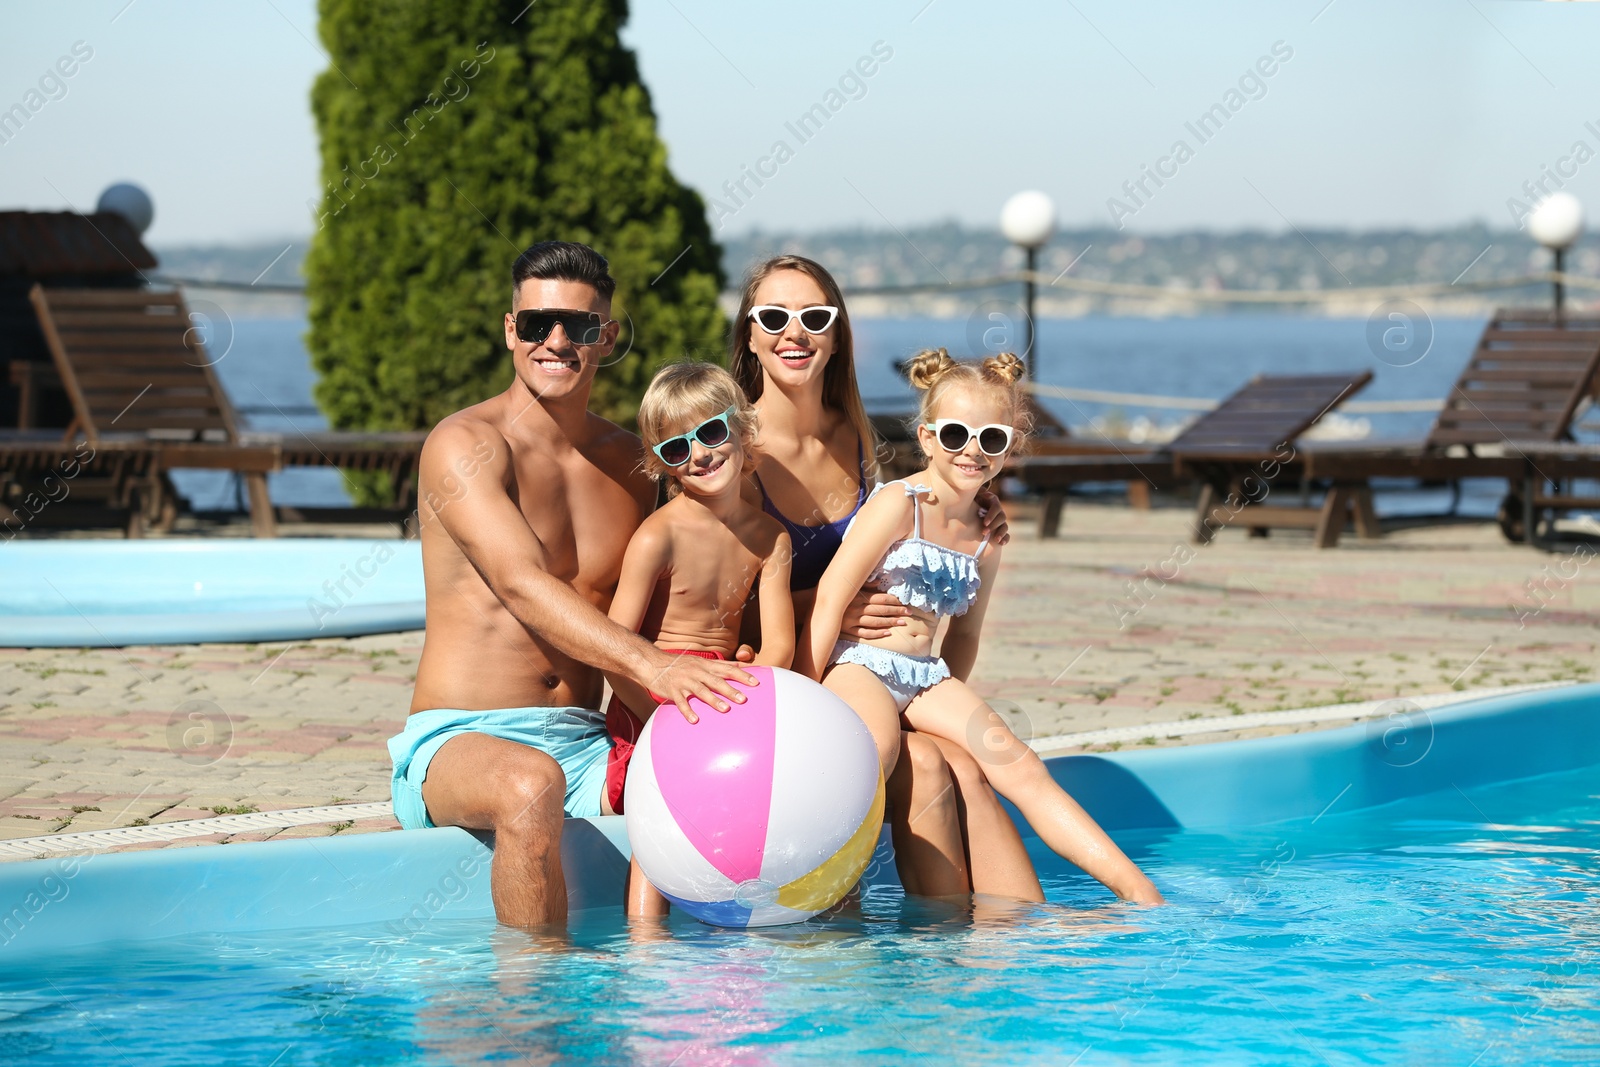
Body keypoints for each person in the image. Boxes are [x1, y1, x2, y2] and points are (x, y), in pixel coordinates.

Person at [388, 241, 756, 931]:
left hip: (588, 743)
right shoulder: (464, 444)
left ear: (607, 336)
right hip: (463, 738)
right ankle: (537, 1021)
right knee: (531, 786)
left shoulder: (630, 462)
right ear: (510, 331)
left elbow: (735, 513)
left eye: (580, 327)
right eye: (537, 325)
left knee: (725, 779)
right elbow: (523, 584)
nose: (556, 342)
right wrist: (654, 665)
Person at [730, 255, 1046, 902]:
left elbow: (904, 529)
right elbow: (700, 602)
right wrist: (825, 609)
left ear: (838, 332)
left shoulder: (854, 439)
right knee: (909, 762)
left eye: (815, 317)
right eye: (775, 317)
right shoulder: (726, 451)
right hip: (776, 666)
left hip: (862, 671)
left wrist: (974, 503)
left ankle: (961, 958)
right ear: (750, 334)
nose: (796, 332)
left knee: (949, 764)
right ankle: (811, 919)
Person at [803, 348, 1163, 905]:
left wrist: (943, 717)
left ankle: (1142, 896)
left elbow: (964, 639)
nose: (972, 451)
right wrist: (806, 687)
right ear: (926, 438)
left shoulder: (986, 532)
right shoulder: (901, 504)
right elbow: (831, 596)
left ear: (1008, 449)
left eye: (991, 439)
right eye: (954, 435)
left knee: (1019, 764)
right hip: (859, 664)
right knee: (876, 751)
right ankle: (824, 894)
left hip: (925, 676)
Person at [603, 362, 794, 917]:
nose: (701, 455)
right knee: (659, 813)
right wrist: (657, 715)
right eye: (676, 449)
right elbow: (616, 650)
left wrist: (750, 699)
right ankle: (645, 941)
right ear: (659, 465)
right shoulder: (657, 535)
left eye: (711, 433)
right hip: (656, 691)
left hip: (727, 690)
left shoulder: (769, 537)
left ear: (742, 430)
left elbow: (779, 646)